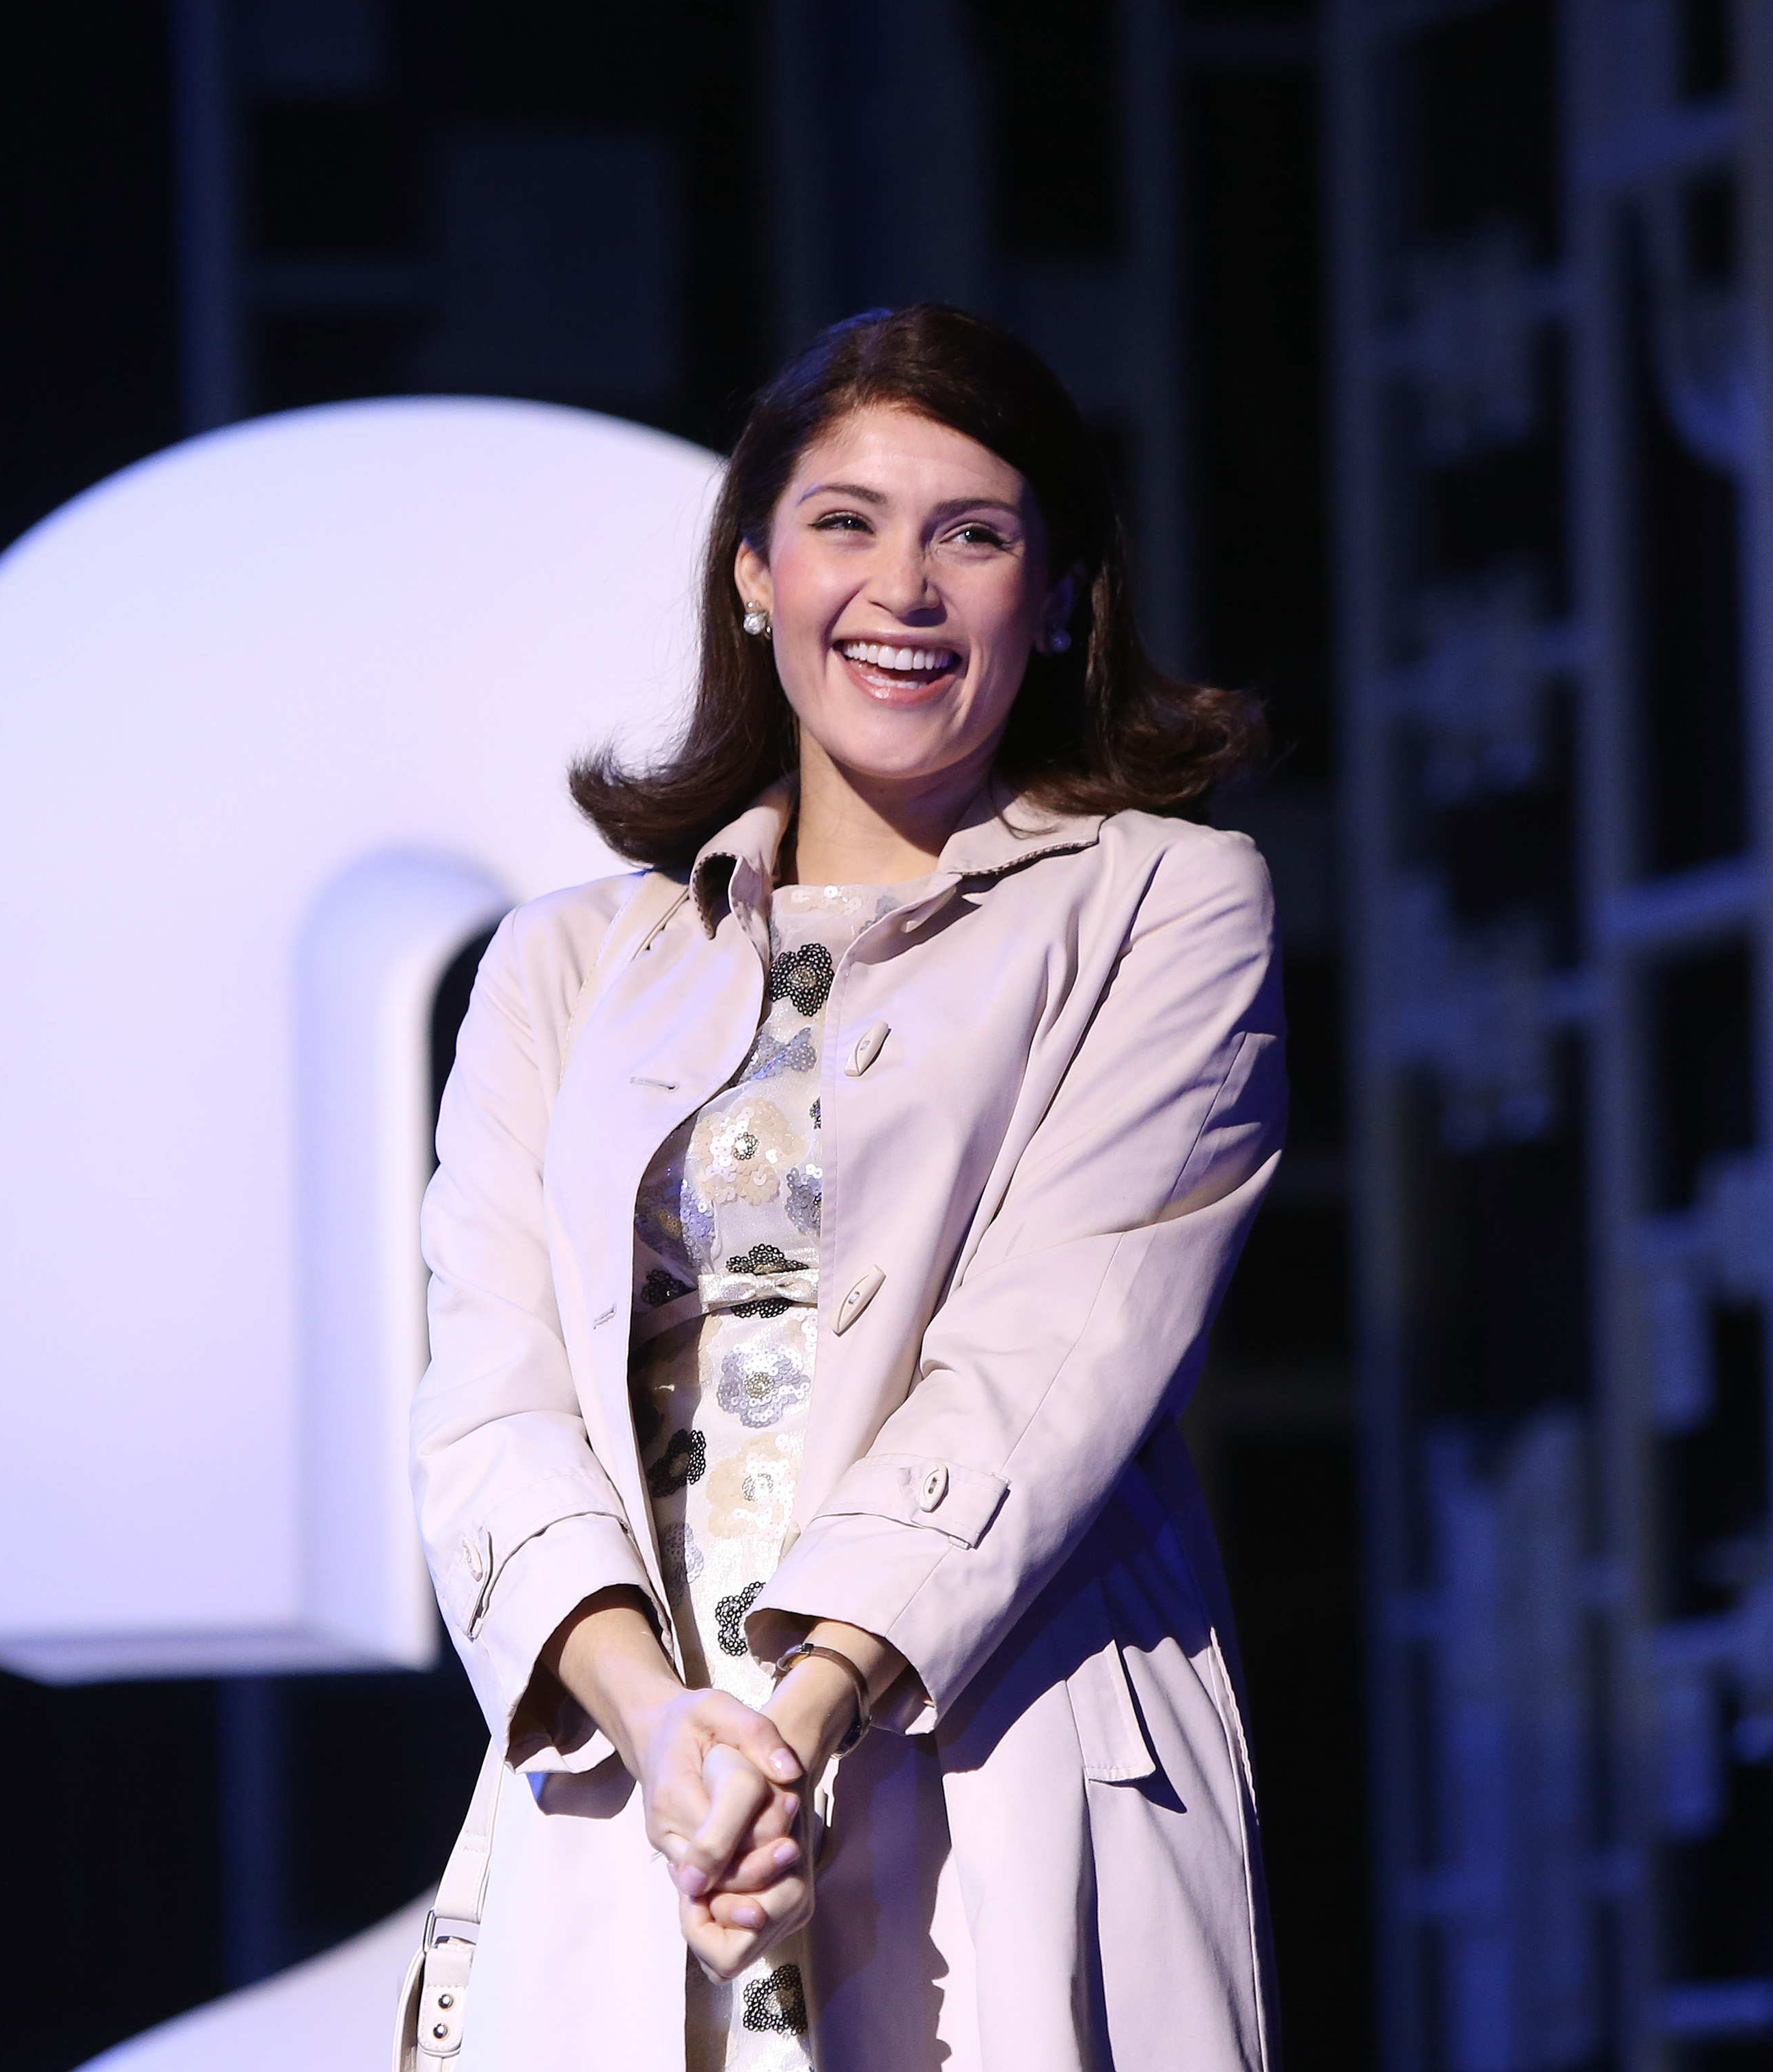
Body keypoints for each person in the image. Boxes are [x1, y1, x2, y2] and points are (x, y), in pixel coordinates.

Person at [411, 303, 1287, 2072]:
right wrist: (670, 1739)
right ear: (753, 573)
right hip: (638, 1794)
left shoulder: (1165, 904)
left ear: (1059, 599)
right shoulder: (563, 965)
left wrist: (799, 1720)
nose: (903, 587)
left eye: (972, 535)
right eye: (845, 523)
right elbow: (489, 1405)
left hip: (988, 1750)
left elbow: (1056, 1363)